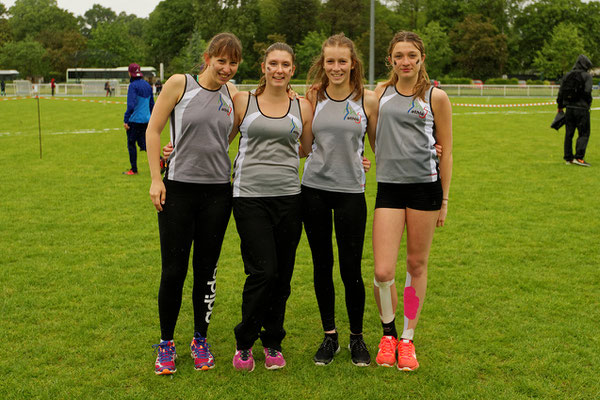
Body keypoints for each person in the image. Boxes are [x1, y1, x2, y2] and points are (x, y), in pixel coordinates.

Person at [145, 33, 242, 375]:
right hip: (178, 192)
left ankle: (200, 339)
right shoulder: (179, 84)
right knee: (174, 271)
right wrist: (157, 178)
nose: (226, 68)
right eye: (221, 60)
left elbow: (229, 133)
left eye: (233, 62)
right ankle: (167, 344)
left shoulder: (234, 94)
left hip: (218, 194)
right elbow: (154, 130)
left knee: (206, 271)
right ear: (207, 57)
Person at [229, 42, 314, 371]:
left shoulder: (303, 107)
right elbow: (219, 140)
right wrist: (173, 149)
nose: (279, 69)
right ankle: (245, 342)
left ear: (293, 70)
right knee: (262, 271)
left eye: (285, 65)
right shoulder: (243, 101)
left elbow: (306, 149)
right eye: (273, 63)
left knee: (282, 276)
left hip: (290, 199)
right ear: (263, 66)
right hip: (249, 197)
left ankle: (274, 340)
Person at [372, 31, 452, 371]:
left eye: (412, 55)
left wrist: (444, 199)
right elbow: (371, 136)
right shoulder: (380, 93)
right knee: (383, 270)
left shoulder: (437, 96)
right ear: (390, 59)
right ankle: (387, 333)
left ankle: (406, 338)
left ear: (421, 58)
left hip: (425, 190)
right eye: (399, 55)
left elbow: (446, 151)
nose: (405, 61)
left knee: (416, 265)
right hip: (389, 188)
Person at [301, 33, 378, 367]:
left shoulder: (368, 100)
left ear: (352, 63)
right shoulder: (312, 98)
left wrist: (429, 151)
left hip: (351, 193)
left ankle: (357, 339)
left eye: (341, 61)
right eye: (329, 61)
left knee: (351, 269)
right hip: (314, 190)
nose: (335, 67)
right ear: (323, 63)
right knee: (322, 266)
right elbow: (304, 147)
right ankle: (329, 336)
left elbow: (379, 147)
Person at [557, 54, 593, 167]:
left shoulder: (567, 75)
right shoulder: (587, 76)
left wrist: (560, 106)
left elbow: (561, 92)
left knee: (569, 134)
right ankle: (579, 157)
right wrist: (588, 103)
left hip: (569, 109)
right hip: (582, 109)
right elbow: (587, 92)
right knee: (584, 133)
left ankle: (568, 158)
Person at [123, 63, 154, 175]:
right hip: (146, 120)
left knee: (131, 144)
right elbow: (152, 104)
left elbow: (131, 105)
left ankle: (133, 169)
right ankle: (160, 160)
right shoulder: (147, 85)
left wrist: (126, 120)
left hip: (134, 120)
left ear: (130, 73)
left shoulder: (133, 86)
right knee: (144, 144)